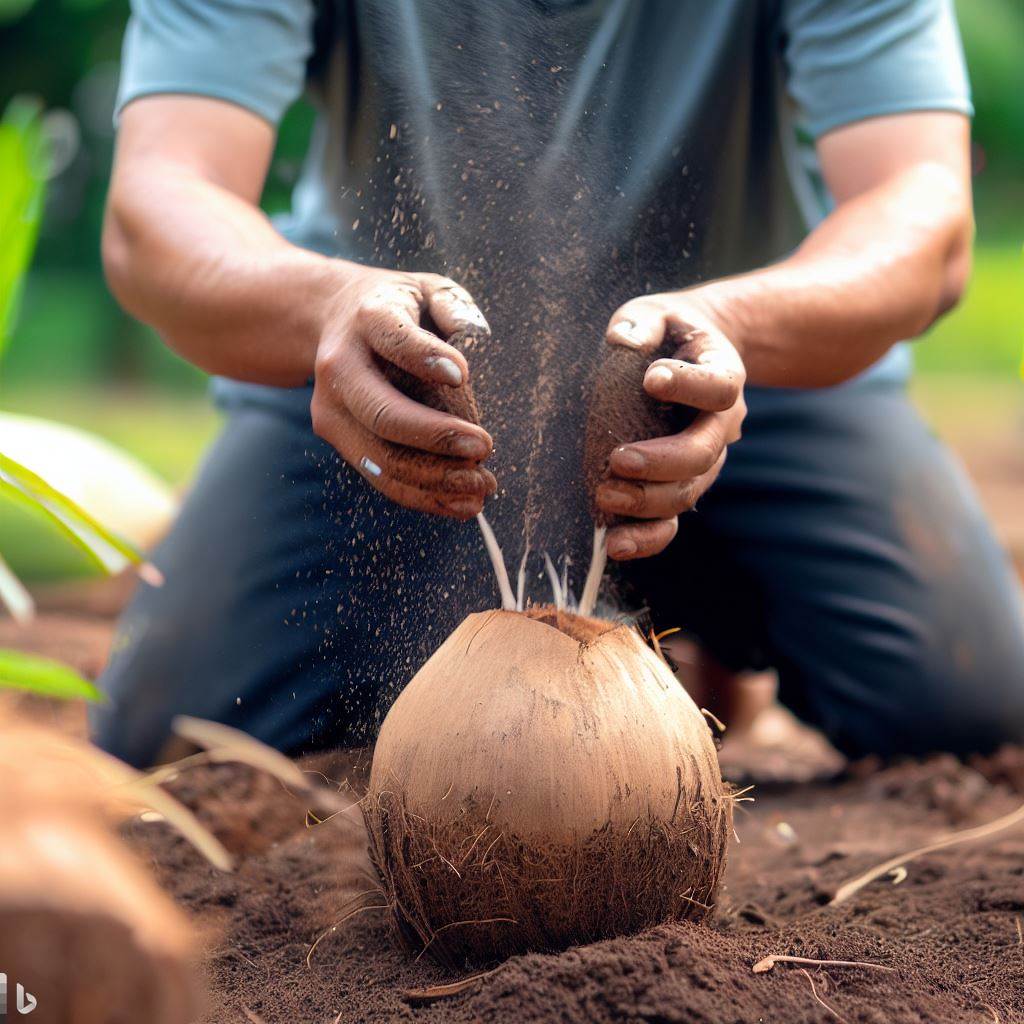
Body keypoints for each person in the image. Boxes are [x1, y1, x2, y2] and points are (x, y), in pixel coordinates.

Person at [94, 0, 1024, 768]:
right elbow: (160, 203)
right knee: (172, 734)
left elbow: (921, 213)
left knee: (964, 701)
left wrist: (737, 324)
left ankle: (687, 625)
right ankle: (556, 627)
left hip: (737, 372)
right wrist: (326, 304)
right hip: (380, 373)